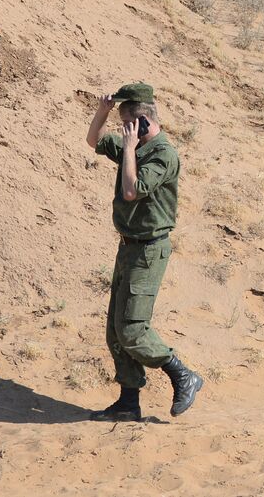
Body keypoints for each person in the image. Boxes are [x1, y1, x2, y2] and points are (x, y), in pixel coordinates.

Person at [83, 81, 204, 422]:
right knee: (116, 332)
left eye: (126, 122)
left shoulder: (163, 154)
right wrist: (102, 112)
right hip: (128, 247)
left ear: (143, 122)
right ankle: (128, 401)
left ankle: (183, 375)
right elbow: (93, 141)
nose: (122, 130)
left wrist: (131, 148)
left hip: (149, 251)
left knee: (133, 329)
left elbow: (132, 190)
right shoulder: (133, 147)